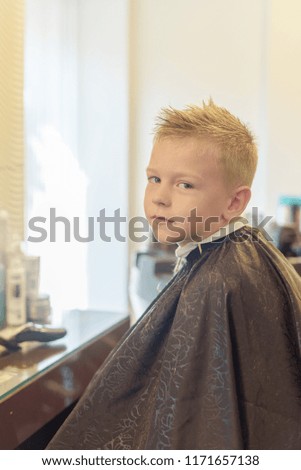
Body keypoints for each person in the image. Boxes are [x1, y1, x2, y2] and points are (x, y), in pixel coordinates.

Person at [47, 100, 301, 450]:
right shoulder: (244, 249)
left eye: (185, 185)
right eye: (154, 179)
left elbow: (200, 423)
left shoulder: (217, 283)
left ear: (234, 202)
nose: (160, 198)